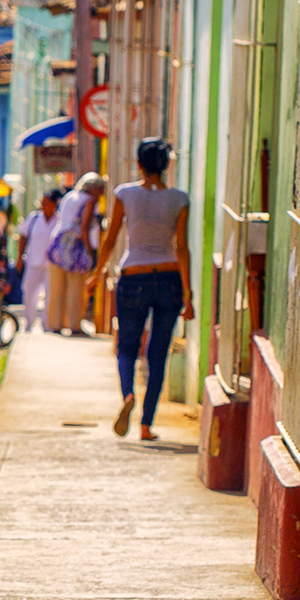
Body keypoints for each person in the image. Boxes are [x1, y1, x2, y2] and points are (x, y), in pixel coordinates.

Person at [97, 139, 192, 440]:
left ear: (139, 164)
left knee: (126, 346)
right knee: (158, 354)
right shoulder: (179, 199)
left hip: (133, 276)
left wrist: (96, 272)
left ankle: (128, 395)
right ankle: (146, 425)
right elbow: (182, 248)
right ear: (167, 166)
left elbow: (111, 238)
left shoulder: (125, 193)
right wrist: (188, 296)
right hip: (168, 278)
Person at [45, 172, 107, 336]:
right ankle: (74, 324)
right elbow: (85, 226)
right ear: (94, 189)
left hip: (57, 242)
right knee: (76, 288)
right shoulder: (89, 201)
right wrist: (89, 250)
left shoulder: (70, 196)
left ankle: (55, 323)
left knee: (56, 287)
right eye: (100, 189)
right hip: (75, 246)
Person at [14, 189, 61, 332]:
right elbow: (23, 237)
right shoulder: (34, 218)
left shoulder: (59, 220)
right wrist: (19, 259)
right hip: (33, 260)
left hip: (51, 263)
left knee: (50, 293)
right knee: (29, 292)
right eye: (42, 203)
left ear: (54, 204)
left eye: (47, 203)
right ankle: (29, 322)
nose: (43, 206)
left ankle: (47, 323)